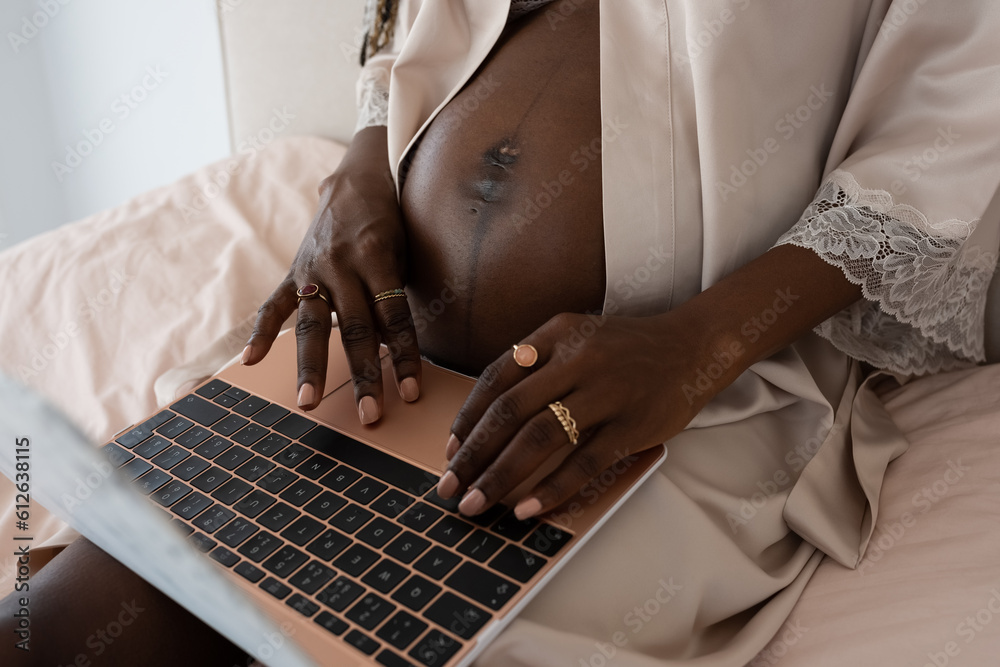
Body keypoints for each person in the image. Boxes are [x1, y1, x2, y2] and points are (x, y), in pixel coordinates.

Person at [3, 1, 999, 665]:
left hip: (656, 403)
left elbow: (939, 151)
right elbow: (409, 33)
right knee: (58, 626)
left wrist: (689, 348)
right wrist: (356, 170)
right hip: (376, 353)